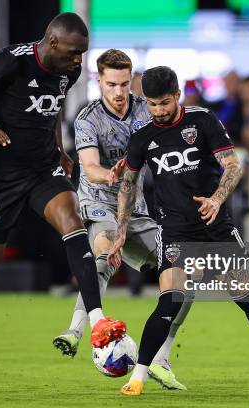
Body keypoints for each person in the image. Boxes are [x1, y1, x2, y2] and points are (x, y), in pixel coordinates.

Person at [0, 13, 126, 349]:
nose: (78, 60)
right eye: (73, 52)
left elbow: (54, 106)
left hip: (44, 169)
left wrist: (60, 148)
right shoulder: (10, 62)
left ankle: (97, 321)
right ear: (53, 42)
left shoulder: (68, 69)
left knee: (73, 223)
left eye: (82, 53)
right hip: (3, 176)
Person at [110, 66, 249, 396]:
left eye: (164, 103)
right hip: (176, 233)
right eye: (152, 104)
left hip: (216, 228)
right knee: (169, 302)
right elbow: (128, 185)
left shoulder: (203, 121)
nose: (158, 111)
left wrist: (216, 198)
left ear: (178, 96)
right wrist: (121, 229)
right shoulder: (142, 138)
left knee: (248, 299)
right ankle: (137, 377)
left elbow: (232, 164)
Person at [52, 49, 190, 390]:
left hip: (138, 209)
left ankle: (160, 358)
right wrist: (109, 176)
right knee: (102, 255)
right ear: (98, 80)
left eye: (125, 84)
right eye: (111, 84)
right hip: (98, 202)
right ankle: (75, 331)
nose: (118, 92)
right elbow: (90, 167)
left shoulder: (147, 110)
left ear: (133, 82)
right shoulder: (87, 119)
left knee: (182, 276)